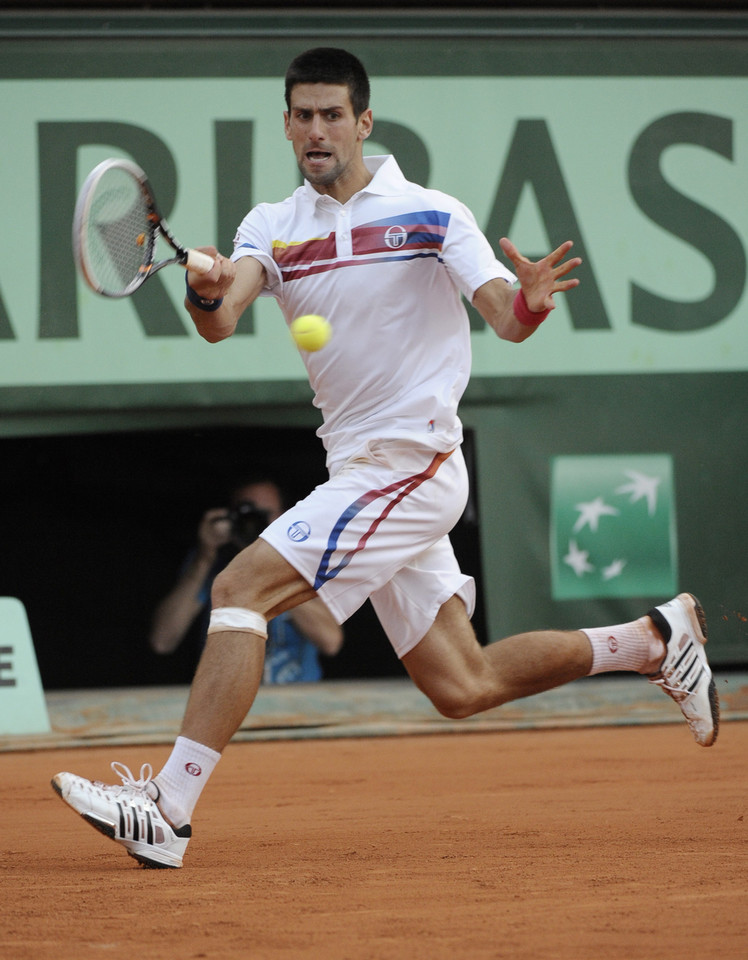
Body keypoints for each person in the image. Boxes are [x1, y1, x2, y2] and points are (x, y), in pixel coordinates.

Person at [52, 47, 719, 869]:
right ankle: (653, 640)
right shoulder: (270, 224)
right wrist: (201, 284)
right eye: (302, 114)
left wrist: (531, 303)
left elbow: (503, 316)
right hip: (358, 471)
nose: (316, 129)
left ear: (364, 121)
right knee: (461, 684)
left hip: (414, 462)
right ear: (286, 123)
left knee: (239, 588)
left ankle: (168, 806)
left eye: (333, 114)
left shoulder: (434, 214)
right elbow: (220, 318)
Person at [149, 477, 343, 683]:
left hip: (297, 708)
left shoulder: (305, 562)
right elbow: (162, 642)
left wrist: (271, 565)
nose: (255, 523)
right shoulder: (210, 563)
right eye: (247, 514)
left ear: (286, 517)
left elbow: (331, 642)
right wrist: (204, 557)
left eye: (264, 514)